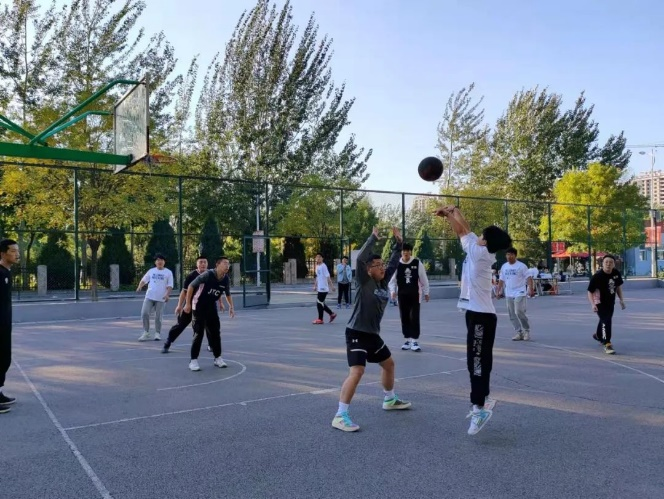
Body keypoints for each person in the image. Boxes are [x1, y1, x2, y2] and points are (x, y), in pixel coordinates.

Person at [434, 206, 512, 436]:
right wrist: (455, 211)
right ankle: (484, 399)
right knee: (481, 361)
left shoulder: (478, 254)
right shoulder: (482, 250)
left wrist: (448, 215)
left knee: (476, 362)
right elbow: (466, 231)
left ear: (484, 242)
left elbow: (462, 232)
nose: (477, 236)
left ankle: (479, 409)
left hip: (480, 317)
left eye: (481, 235)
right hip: (481, 315)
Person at [332, 227, 411, 432]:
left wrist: (399, 244)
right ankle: (340, 415)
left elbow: (394, 262)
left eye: (382, 264)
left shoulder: (383, 282)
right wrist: (373, 238)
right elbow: (360, 259)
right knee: (357, 371)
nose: (382, 268)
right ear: (368, 270)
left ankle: (389, 399)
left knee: (389, 364)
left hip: (372, 335)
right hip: (356, 333)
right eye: (377, 265)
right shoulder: (363, 281)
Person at [184, 257, 235, 371]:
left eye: (228, 264)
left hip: (211, 306)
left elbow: (227, 293)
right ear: (217, 264)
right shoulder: (207, 275)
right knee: (199, 333)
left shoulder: (226, 278)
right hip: (198, 305)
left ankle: (218, 358)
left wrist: (231, 307)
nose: (227, 266)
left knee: (215, 332)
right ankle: (193, 361)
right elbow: (191, 286)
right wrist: (187, 304)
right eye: (225, 263)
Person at [388, 242, 430, 352]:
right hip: (402, 296)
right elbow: (392, 281)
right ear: (401, 252)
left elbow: (424, 279)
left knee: (414, 317)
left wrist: (426, 292)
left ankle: (414, 340)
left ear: (410, 252)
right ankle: (407, 339)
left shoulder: (417, 263)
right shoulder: (397, 264)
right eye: (404, 251)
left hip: (415, 295)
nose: (405, 253)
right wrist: (392, 291)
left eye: (407, 251)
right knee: (404, 317)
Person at [162, 256, 208, 354]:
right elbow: (184, 292)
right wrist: (180, 305)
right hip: (189, 305)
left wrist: (220, 302)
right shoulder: (191, 275)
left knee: (208, 325)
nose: (203, 264)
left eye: (205, 262)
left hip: (204, 307)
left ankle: (211, 345)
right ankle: (168, 342)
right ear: (197, 264)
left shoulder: (211, 275)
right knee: (180, 325)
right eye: (201, 262)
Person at [587, 254, 625, 355]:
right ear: (602, 264)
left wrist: (621, 300)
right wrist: (592, 304)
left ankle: (599, 335)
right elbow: (590, 291)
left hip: (610, 302)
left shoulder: (616, 273)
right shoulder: (597, 276)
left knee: (605, 319)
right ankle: (607, 343)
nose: (608, 264)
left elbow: (618, 287)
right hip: (599, 302)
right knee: (606, 320)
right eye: (606, 262)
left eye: (611, 262)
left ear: (614, 264)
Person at [496, 247, 535, 341]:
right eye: (507, 254)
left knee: (518, 311)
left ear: (515, 255)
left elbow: (529, 278)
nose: (509, 256)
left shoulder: (521, 266)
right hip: (509, 293)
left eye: (511, 254)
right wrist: (498, 291)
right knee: (512, 314)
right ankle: (519, 332)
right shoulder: (504, 266)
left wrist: (531, 289)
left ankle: (526, 330)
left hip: (520, 292)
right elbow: (501, 280)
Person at [0, 239, 19, 414]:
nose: (16, 254)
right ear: (2, 253)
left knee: (4, 359)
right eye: (12, 251)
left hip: (5, 325)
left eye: (17, 251)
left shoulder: (6, 272)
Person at [136, 254, 174, 341]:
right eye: (158, 260)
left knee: (158, 316)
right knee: (144, 313)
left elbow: (170, 285)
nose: (160, 262)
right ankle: (146, 332)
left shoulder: (168, 272)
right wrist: (139, 286)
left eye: (161, 260)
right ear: (155, 262)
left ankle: (157, 333)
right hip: (149, 296)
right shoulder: (151, 271)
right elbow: (144, 280)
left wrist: (167, 294)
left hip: (161, 298)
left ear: (164, 262)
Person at [312, 252, 336, 324]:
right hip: (320, 287)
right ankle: (331, 314)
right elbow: (317, 277)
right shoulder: (317, 266)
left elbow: (328, 277)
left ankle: (320, 319)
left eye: (320, 257)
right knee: (320, 303)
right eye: (317, 257)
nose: (318, 258)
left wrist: (332, 286)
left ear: (322, 258)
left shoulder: (323, 266)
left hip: (324, 288)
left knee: (319, 303)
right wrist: (315, 285)